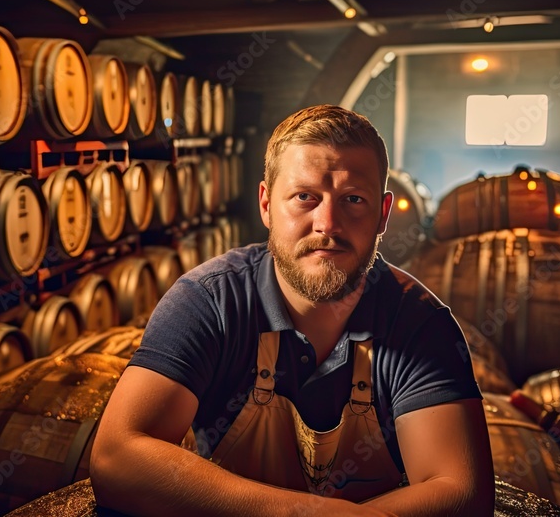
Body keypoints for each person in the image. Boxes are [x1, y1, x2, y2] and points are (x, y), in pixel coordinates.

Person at [90, 105, 494, 516]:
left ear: (383, 215)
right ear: (266, 204)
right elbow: (115, 459)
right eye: (305, 197)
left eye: (353, 199)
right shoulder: (210, 300)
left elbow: (462, 493)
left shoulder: (419, 322)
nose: (328, 224)